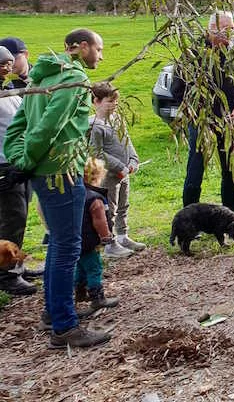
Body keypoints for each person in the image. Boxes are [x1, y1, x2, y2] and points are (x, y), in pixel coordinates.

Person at [4, 28, 110, 348]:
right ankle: (64, 327)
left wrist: (22, 157)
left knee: (59, 247)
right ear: (81, 47)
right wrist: (25, 161)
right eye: (98, 49)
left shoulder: (41, 77)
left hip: (45, 173)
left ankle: (53, 312)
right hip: (60, 174)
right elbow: (50, 126)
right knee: (67, 248)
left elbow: (18, 124)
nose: (101, 56)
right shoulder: (73, 79)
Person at [179, 11, 234, 212]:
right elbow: (179, 90)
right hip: (201, 121)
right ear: (212, 29)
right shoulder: (193, 55)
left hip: (228, 122)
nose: (231, 34)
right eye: (228, 29)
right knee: (195, 170)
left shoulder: (233, 54)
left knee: (230, 170)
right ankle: (189, 217)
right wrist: (197, 113)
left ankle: (231, 216)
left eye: (232, 29)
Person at [88, 82, 143, 258]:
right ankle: (110, 243)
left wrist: (133, 160)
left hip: (124, 174)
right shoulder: (95, 126)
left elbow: (127, 141)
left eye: (116, 102)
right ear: (96, 101)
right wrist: (119, 166)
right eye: (110, 101)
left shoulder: (118, 119)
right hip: (108, 177)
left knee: (123, 205)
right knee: (109, 208)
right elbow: (96, 152)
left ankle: (123, 235)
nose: (114, 105)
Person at [0, 45, 34, 296]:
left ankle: (17, 265)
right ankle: (6, 275)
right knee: (12, 218)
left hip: (19, 163)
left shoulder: (11, 91)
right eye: (1, 63)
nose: (6, 67)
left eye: (9, 62)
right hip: (2, 165)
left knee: (20, 217)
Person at [76, 158, 120, 314]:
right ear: (97, 176)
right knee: (94, 268)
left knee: (80, 267)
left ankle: (79, 292)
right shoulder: (95, 198)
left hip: (75, 241)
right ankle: (97, 298)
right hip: (89, 242)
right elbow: (99, 221)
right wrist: (106, 236)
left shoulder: (75, 194)